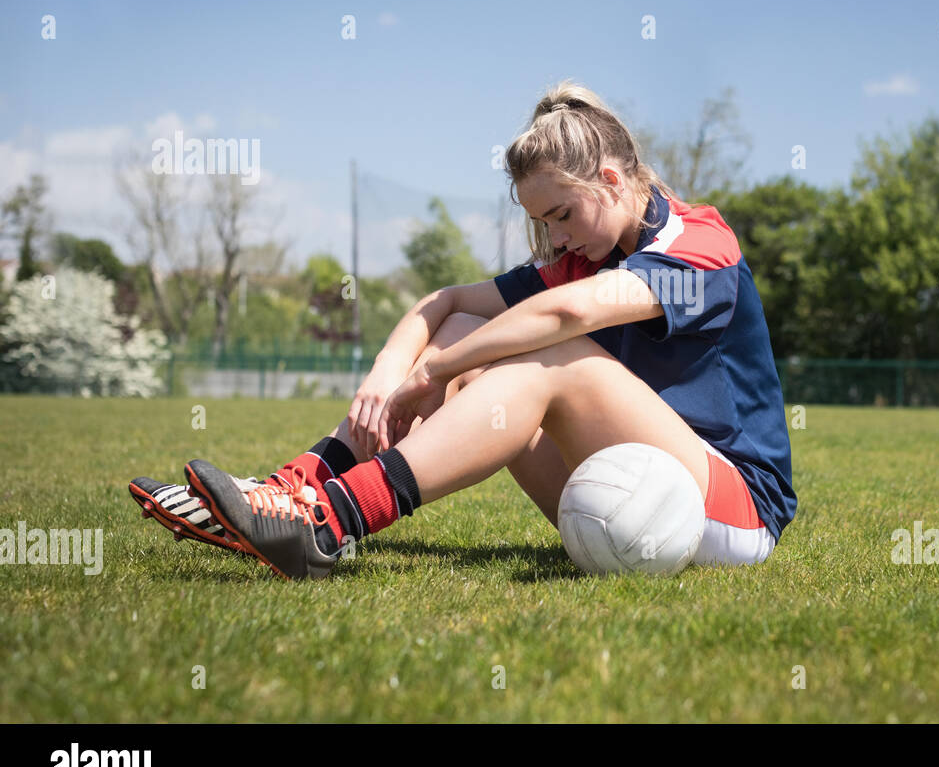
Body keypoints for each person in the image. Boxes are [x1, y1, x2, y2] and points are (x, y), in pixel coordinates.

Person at [128, 81, 797, 580]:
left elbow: (568, 318)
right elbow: (445, 302)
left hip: (733, 508)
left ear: (613, 178)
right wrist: (392, 371)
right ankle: (297, 490)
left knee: (554, 356)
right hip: (638, 491)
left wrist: (434, 374)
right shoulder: (585, 255)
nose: (556, 238)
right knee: (475, 331)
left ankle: (328, 523)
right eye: (545, 226)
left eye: (562, 215)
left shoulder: (703, 243)